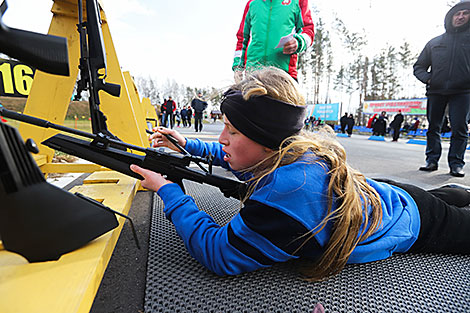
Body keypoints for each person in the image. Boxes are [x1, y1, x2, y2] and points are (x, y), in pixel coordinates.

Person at [130, 67, 470, 281]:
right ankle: (457, 191)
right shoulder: (284, 152)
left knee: (455, 219)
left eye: (232, 131)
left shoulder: (283, 199)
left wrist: (168, 190)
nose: (221, 139)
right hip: (385, 194)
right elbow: (235, 156)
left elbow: (218, 253)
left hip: (411, 218)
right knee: (451, 196)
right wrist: (188, 145)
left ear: (264, 140)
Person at [414, 1, 470, 177]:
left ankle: (456, 164)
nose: (460, 17)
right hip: (436, 91)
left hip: (463, 92)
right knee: (433, 127)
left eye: (465, 13)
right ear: (451, 17)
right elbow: (419, 67)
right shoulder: (434, 42)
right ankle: (431, 160)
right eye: (457, 14)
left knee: (460, 128)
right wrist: (429, 79)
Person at [232, 0, 314, 82]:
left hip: (284, 75)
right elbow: (242, 38)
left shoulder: (298, 2)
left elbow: (308, 31)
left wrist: (299, 42)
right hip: (253, 75)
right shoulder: (252, 3)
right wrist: (238, 67)